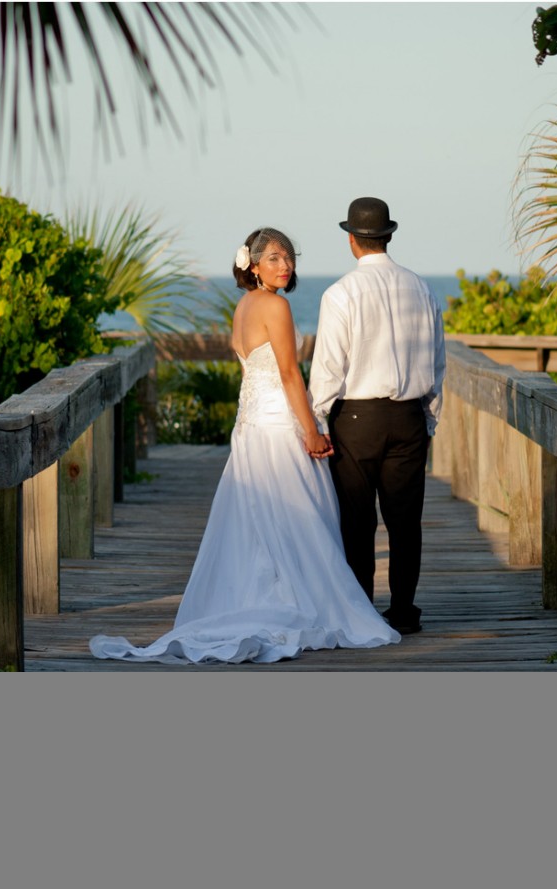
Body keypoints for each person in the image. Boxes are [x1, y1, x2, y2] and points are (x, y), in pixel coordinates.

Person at [89, 226, 400, 664]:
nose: (285, 265)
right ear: (252, 265)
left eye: (289, 257)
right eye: (273, 258)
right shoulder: (276, 306)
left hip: (251, 427)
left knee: (258, 522)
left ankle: (263, 595)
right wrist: (310, 429)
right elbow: (291, 375)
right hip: (277, 428)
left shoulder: (244, 306)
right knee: (300, 517)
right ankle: (300, 600)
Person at [307, 198, 446, 635]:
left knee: (358, 521)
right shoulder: (422, 289)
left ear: (352, 240)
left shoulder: (340, 294)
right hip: (407, 417)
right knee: (406, 523)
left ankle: (361, 612)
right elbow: (437, 362)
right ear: (388, 236)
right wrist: (428, 419)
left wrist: (317, 421)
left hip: (356, 421)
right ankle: (404, 611)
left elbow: (329, 367)